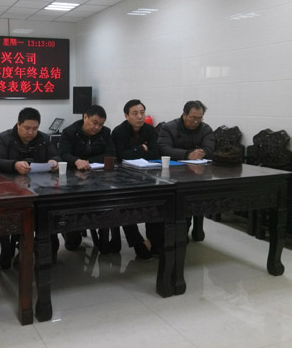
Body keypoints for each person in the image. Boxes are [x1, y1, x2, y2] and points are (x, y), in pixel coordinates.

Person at [0, 107, 60, 267]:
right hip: (11, 190)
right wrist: (14, 165)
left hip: (40, 188)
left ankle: (44, 250)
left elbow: (56, 155)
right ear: (18, 124)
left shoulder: (44, 139)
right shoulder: (4, 138)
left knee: (48, 213)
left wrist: (54, 162)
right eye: (27, 128)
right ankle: (16, 249)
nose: (31, 132)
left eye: (34, 129)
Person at [58, 104, 117, 252]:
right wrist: (76, 161)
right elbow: (63, 154)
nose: (97, 127)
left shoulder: (105, 133)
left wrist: (88, 162)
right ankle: (71, 230)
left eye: (101, 124)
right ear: (85, 117)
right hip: (73, 179)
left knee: (107, 201)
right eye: (94, 123)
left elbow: (111, 154)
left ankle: (103, 235)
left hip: (98, 177)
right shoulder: (69, 132)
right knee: (73, 244)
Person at [158, 100, 215, 239]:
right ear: (184, 115)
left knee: (199, 193)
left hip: (199, 173)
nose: (196, 122)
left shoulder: (206, 129)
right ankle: (178, 230)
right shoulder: (168, 127)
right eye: (192, 118)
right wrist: (187, 155)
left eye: (199, 118)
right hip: (173, 173)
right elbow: (163, 148)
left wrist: (201, 153)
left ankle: (195, 228)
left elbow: (209, 149)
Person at [111, 99, 160, 260]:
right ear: (126, 116)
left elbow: (155, 153)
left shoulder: (150, 130)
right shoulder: (119, 132)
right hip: (123, 178)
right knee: (126, 206)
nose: (140, 117)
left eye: (142, 113)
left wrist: (134, 151)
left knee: (156, 202)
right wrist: (142, 148)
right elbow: (120, 156)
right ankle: (138, 242)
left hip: (148, 175)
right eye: (135, 113)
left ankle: (155, 240)